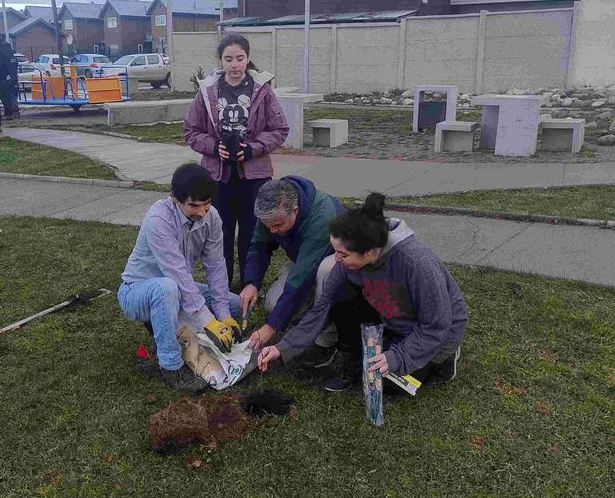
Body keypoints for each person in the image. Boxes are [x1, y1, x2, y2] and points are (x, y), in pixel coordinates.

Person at [257, 193, 467, 393]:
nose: (336, 259)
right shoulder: (349, 260)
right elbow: (321, 310)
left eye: (343, 254)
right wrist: (282, 347)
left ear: (370, 252)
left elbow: (436, 326)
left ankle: (444, 361)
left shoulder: (418, 264)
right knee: (341, 297)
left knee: (387, 383)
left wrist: (397, 357)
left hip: (436, 334)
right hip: (395, 323)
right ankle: (356, 359)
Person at [118, 163, 243, 393]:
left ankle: (167, 324)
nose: (202, 211)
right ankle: (171, 367)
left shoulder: (212, 217)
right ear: (175, 198)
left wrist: (223, 315)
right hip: (138, 291)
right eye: (194, 205)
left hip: (177, 288)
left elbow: (216, 265)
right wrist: (208, 321)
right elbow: (176, 273)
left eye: (207, 204)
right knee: (167, 289)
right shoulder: (158, 219)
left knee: (235, 304)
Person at [184, 33, 289, 287]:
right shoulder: (207, 92)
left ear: (248, 58)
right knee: (220, 233)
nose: (234, 64)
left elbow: (280, 129)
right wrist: (214, 147)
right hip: (218, 177)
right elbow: (191, 131)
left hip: (254, 177)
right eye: (228, 59)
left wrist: (253, 149)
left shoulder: (263, 90)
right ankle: (222, 287)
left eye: (240, 58)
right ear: (220, 60)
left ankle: (249, 285)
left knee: (253, 234)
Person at [239, 177, 345, 361]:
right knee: (273, 304)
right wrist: (252, 282)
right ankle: (305, 321)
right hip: (304, 260)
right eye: (268, 225)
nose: (272, 230)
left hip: (339, 264)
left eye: (277, 225)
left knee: (325, 271)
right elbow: (260, 246)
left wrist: (271, 327)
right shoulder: (271, 211)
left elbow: (301, 277)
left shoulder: (322, 218)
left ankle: (326, 338)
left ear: (295, 211)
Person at [0, 33, 21, 119]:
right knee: (12, 95)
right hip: (12, 78)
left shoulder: (2, 56)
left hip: (5, 78)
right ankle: (12, 112)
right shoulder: (12, 57)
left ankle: (11, 112)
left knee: (7, 96)